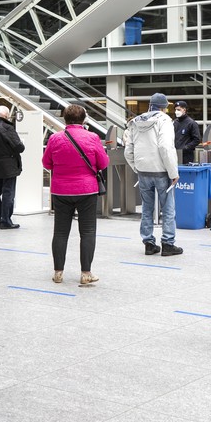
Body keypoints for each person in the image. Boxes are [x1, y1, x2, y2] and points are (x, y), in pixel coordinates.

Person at [42, 104, 110, 285]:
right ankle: (86, 273)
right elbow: (103, 163)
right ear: (84, 120)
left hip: (61, 190)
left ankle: (58, 272)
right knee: (87, 231)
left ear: (65, 119)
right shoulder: (92, 137)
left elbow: (46, 163)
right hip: (87, 190)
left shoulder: (55, 138)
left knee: (60, 232)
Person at [124, 93, 182, 256]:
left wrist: (137, 167)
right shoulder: (164, 121)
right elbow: (165, 147)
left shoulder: (135, 122)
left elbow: (128, 150)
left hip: (143, 172)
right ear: (164, 107)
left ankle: (149, 243)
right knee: (168, 208)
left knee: (146, 208)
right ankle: (168, 244)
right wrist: (173, 172)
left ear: (151, 105)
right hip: (161, 172)